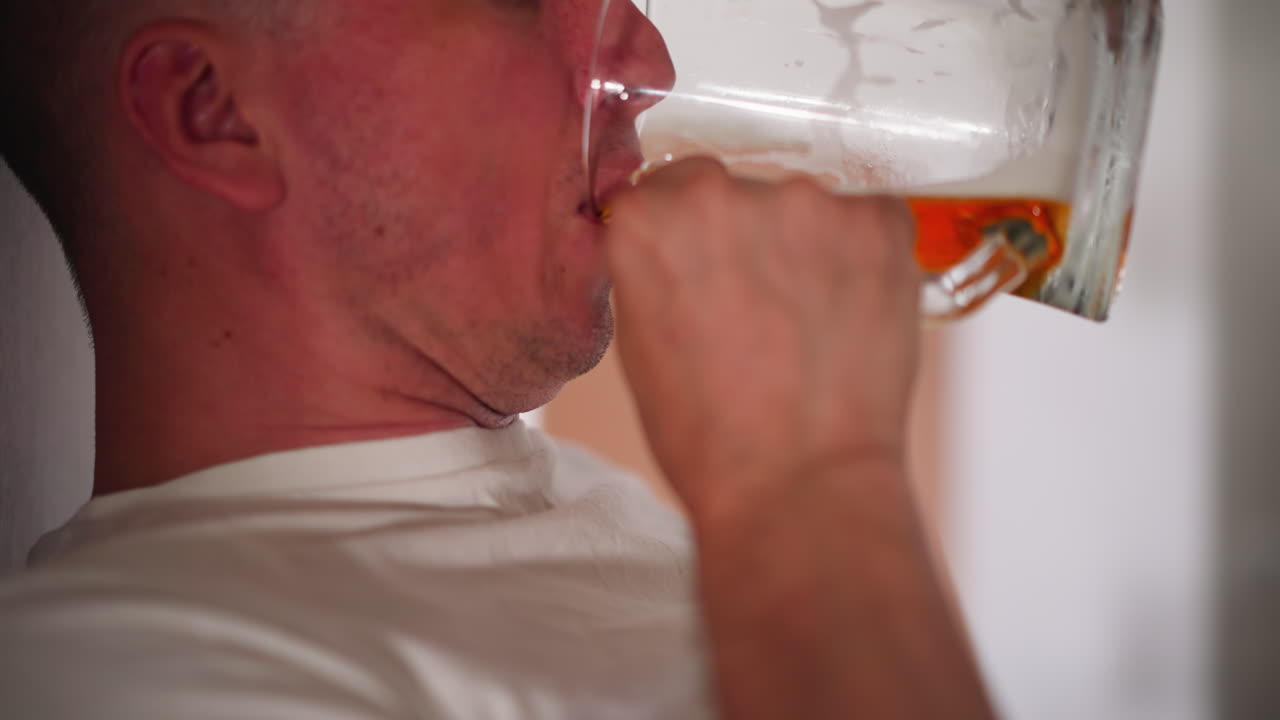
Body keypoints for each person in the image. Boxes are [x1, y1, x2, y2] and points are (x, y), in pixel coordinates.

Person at [0, 1, 994, 718]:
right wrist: (811, 482)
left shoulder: (618, 515)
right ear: (212, 109)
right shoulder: (129, 673)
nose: (647, 63)